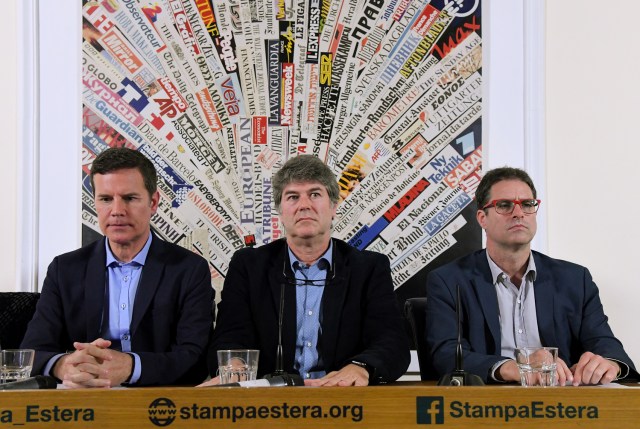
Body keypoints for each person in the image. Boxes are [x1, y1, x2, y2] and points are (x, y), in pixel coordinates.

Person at [202, 155, 410, 386]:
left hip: (342, 402)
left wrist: (360, 367)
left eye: (315, 194)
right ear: (280, 212)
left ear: (333, 207)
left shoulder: (369, 268)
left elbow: (393, 342)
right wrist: (236, 366)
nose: (304, 205)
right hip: (268, 407)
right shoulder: (249, 266)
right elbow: (229, 336)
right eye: (292, 197)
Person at [426, 167, 638, 385]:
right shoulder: (449, 281)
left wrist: (609, 364)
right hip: (487, 405)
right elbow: (446, 354)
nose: (519, 213)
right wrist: (511, 367)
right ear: (482, 218)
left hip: (563, 406)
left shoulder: (575, 279)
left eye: (527, 204)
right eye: (504, 205)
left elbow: (605, 344)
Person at [21, 147, 214, 387]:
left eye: (130, 198)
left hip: (157, 405)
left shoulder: (188, 269)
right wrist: (65, 366)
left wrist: (131, 367)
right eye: (105, 199)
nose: (117, 211)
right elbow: (31, 353)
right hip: (82, 404)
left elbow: (195, 360)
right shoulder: (64, 269)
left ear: (153, 202)